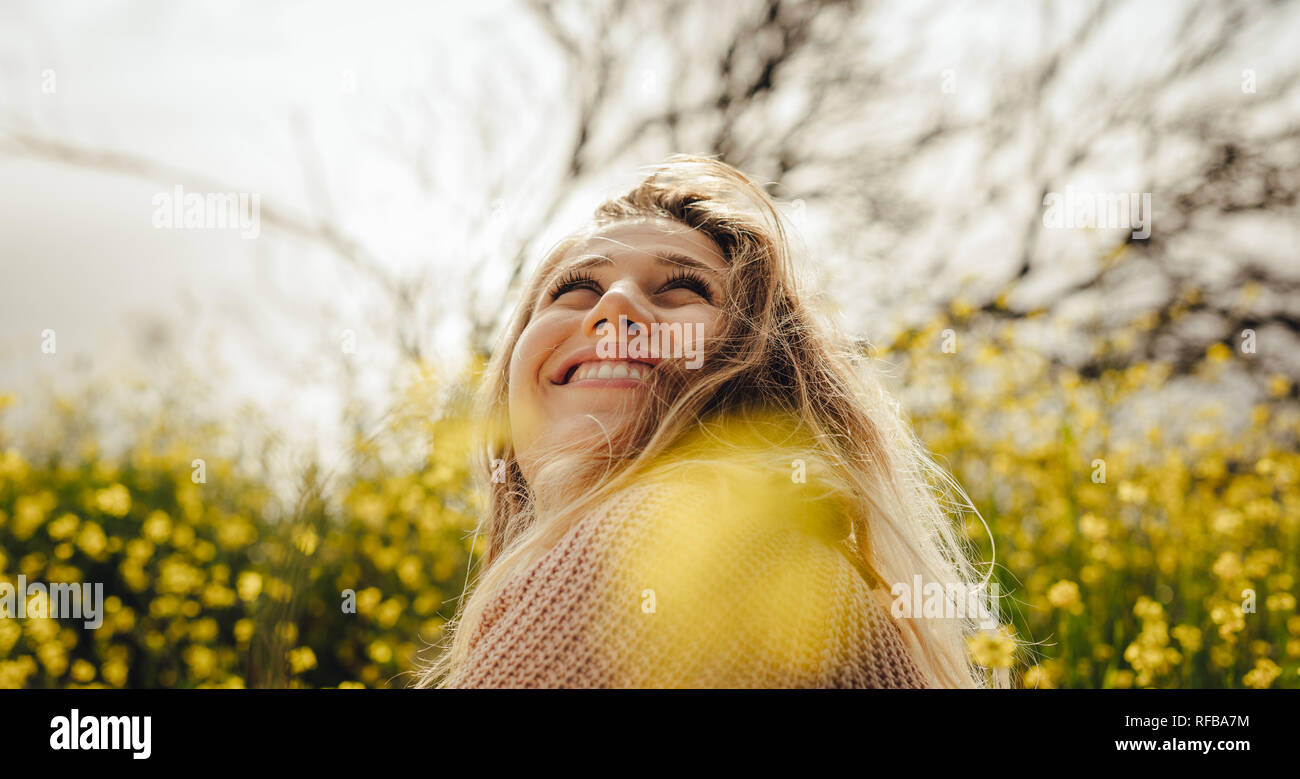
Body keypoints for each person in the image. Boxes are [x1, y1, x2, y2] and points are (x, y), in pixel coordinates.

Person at [415, 155, 1000, 688]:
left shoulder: (652, 542)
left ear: (763, 379)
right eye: (574, 288)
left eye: (682, 289)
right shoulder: (803, 572)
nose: (614, 305)